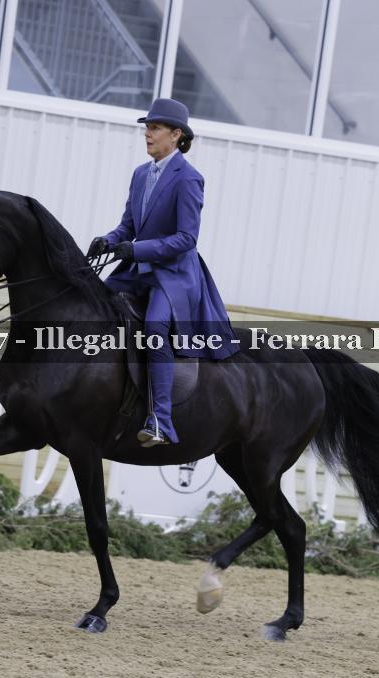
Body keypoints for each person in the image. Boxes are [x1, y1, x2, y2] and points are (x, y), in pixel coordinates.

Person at [87, 98, 240, 447]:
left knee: (155, 327)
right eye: (147, 128)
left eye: (154, 128)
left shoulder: (189, 179)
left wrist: (137, 249)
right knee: (94, 303)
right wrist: (108, 241)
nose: (148, 134)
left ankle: (161, 421)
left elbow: (186, 238)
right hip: (138, 269)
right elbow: (128, 226)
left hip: (173, 276)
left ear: (176, 135)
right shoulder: (141, 174)